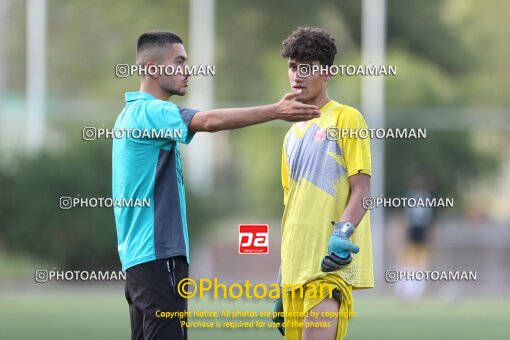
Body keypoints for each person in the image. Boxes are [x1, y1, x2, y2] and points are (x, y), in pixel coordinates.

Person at [112, 30, 320, 340]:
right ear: (153, 69)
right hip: (158, 257)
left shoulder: (130, 115)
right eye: (179, 62)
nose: (187, 70)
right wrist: (275, 111)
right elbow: (208, 122)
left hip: (140, 262)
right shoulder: (150, 112)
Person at [272, 27, 374, 340]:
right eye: (293, 66)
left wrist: (342, 234)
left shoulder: (347, 118)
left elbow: (363, 191)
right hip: (293, 268)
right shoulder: (290, 135)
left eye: (307, 67)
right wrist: (280, 275)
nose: (297, 75)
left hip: (328, 266)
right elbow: (292, 206)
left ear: (327, 73)